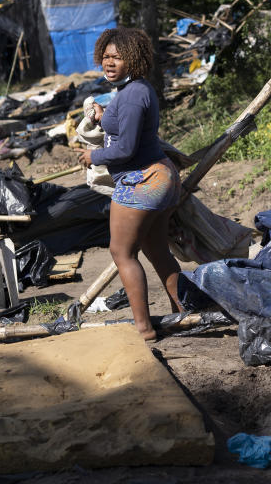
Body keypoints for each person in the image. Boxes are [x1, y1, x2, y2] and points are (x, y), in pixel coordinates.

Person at [75, 27, 183, 341]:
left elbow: (126, 149)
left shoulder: (134, 95)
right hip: (156, 177)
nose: (109, 63)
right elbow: (124, 127)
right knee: (157, 252)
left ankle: (144, 329)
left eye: (118, 58)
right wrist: (103, 114)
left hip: (143, 180)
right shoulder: (132, 91)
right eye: (106, 57)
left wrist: (93, 157)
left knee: (121, 252)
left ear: (133, 60)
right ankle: (184, 314)